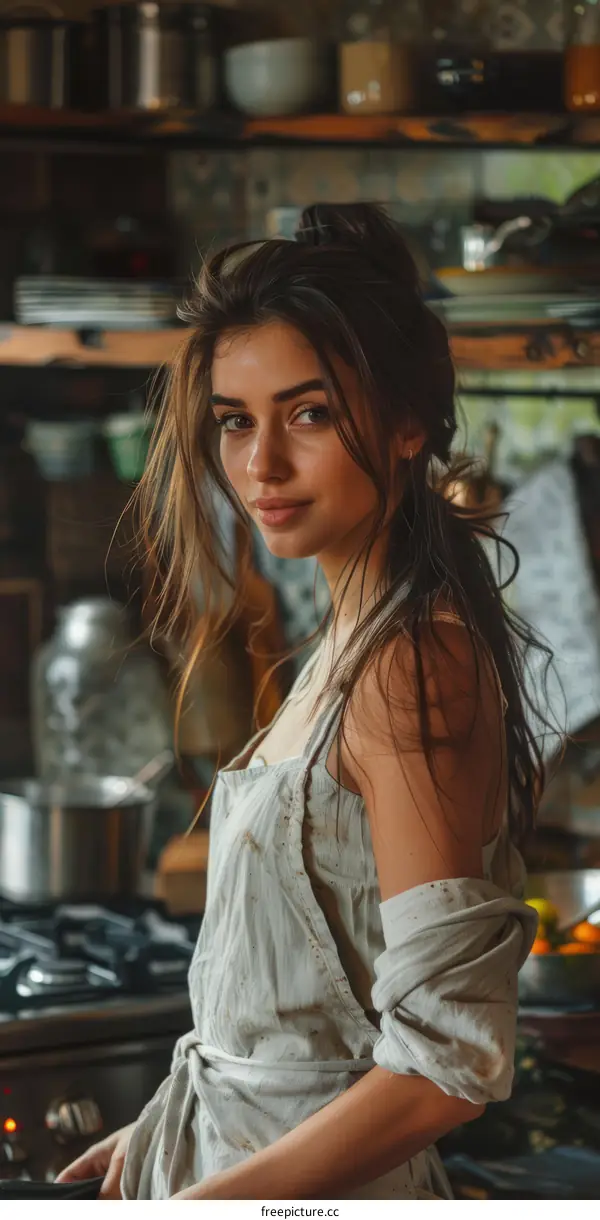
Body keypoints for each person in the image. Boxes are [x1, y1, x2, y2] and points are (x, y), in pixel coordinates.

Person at [58, 202, 543, 1200]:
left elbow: (450, 1060)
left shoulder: (412, 665)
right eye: (237, 420)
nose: (261, 465)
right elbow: (291, 1011)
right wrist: (170, 1126)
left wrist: (213, 1197)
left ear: (407, 424)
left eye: (308, 413)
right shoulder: (344, 648)